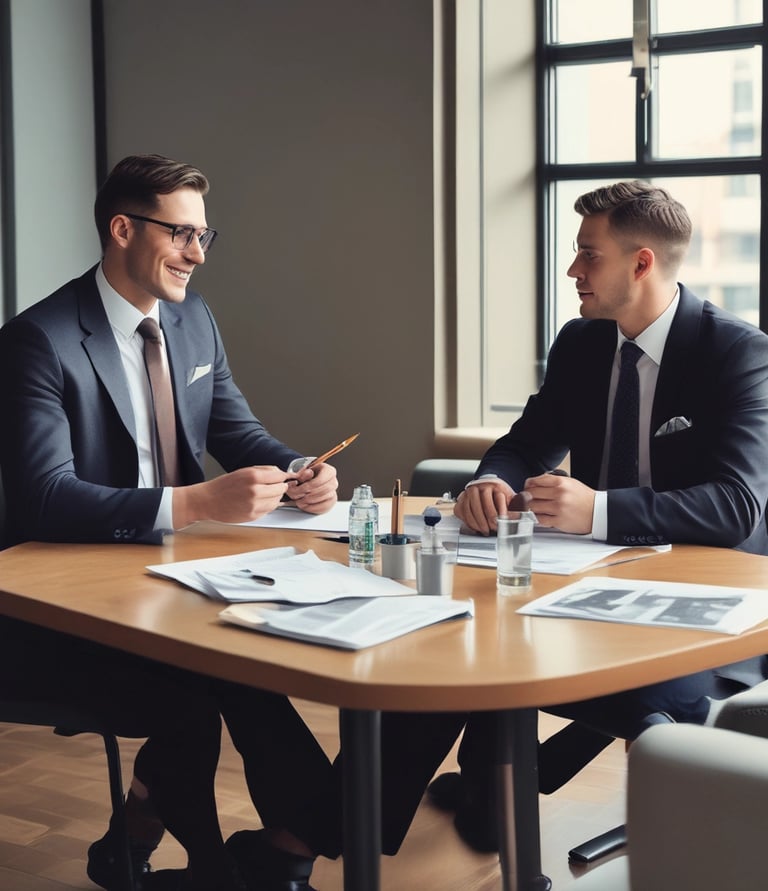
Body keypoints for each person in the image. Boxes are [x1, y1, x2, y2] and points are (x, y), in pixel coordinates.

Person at [0, 154, 344, 890]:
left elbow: (236, 429)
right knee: (204, 687)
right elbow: (43, 498)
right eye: (181, 234)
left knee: (252, 657)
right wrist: (195, 504)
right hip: (65, 603)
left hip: (173, 577)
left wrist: (300, 469)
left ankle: (290, 839)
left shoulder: (192, 321)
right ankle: (262, 856)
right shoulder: (40, 339)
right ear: (122, 228)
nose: (197, 254)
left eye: (203, 236)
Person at [424, 180, 768, 851]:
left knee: (653, 704)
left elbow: (737, 506)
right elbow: (528, 441)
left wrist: (597, 509)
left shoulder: (739, 351)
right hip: (594, 578)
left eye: (589, 254)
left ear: (641, 263)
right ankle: (493, 793)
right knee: (479, 646)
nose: (573, 269)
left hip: (710, 602)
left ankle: (669, 836)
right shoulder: (581, 342)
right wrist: (493, 479)